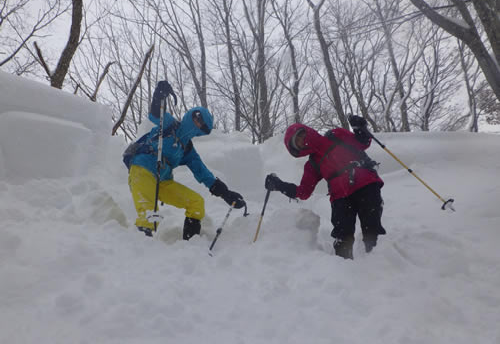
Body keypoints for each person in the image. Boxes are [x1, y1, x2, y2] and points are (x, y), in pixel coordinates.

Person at [127, 80, 246, 239]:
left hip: (163, 181)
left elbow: (203, 173)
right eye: (197, 117)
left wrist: (225, 193)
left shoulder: (187, 150)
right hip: (142, 169)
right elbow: (155, 113)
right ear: (191, 114)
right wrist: (159, 94)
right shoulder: (170, 125)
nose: (197, 122)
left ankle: (190, 247)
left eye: (201, 124)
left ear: (202, 131)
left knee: (196, 203)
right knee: (149, 216)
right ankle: (141, 255)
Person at [264, 115, 385, 259]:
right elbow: (303, 192)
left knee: (372, 230)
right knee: (342, 239)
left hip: (365, 184)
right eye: (297, 143)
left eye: (300, 136)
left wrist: (360, 128)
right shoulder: (312, 165)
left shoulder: (336, 135)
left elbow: (362, 143)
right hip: (340, 198)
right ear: (298, 150)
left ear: (306, 131)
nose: (301, 141)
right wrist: (279, 185)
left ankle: (377, 266)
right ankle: (344, 272)